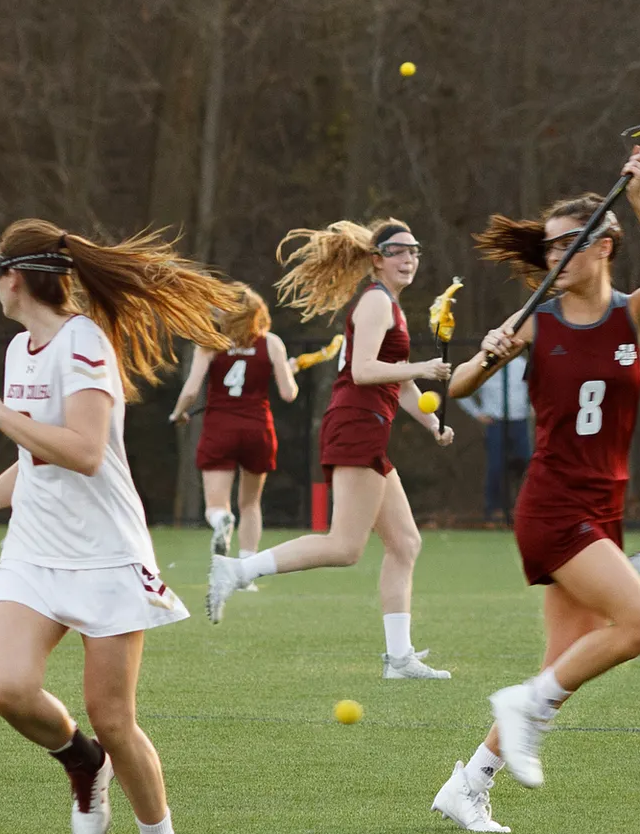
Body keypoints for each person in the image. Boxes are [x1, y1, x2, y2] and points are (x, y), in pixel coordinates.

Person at [0, 222, 236, 834]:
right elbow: (34, 460)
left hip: (106, 555)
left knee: (114, 717)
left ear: (14, 276)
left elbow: (84, 450)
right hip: (35, 552)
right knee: (10, 689)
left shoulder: (85, 343)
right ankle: (79, 760)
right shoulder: (20, 350)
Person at [428, 153, 640, 834]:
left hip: (604, 507)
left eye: (567, 242)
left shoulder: (635, 317)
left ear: (602, 246)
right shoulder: (535, 322)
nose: (554, 253)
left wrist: (639, 196)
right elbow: (455, 387)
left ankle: (468, 784)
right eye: (548, 244)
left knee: (558, 670)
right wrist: (489, 350)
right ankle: (519, 714)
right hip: (552, 503)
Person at [213, 217, 455, 677]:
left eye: (415, 251)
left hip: (369, 426)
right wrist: (423, 367)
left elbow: (400, 385)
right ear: (377, 260)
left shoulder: (391, 307)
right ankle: (237, 572)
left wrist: (432, 426)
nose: (410, 259)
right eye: (400, 251)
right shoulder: (376, 303)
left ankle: (399, 658)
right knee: (345, 546)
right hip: (355, 424)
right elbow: (364, 371)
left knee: (405, 543)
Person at [170, 290, 296, 588]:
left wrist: (178, 414)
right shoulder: (272, 343)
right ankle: (247, 573)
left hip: (220, 429)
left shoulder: (211, 345)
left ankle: (220, 520)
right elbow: (289, 394)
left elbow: (190, 392)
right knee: (250, 504)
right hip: (258, 431)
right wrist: (287, 371)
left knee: (216, 505)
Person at [474, 347, 533, 522]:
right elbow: (463, 391)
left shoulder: (522, 365)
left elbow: (534, 389)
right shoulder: (485, 366)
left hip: (519, 422)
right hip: (496, 423)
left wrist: (532, 408)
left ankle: (526, 508)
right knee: (496, 466)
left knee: (527, 466)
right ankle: (494, 510)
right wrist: (477, 412)